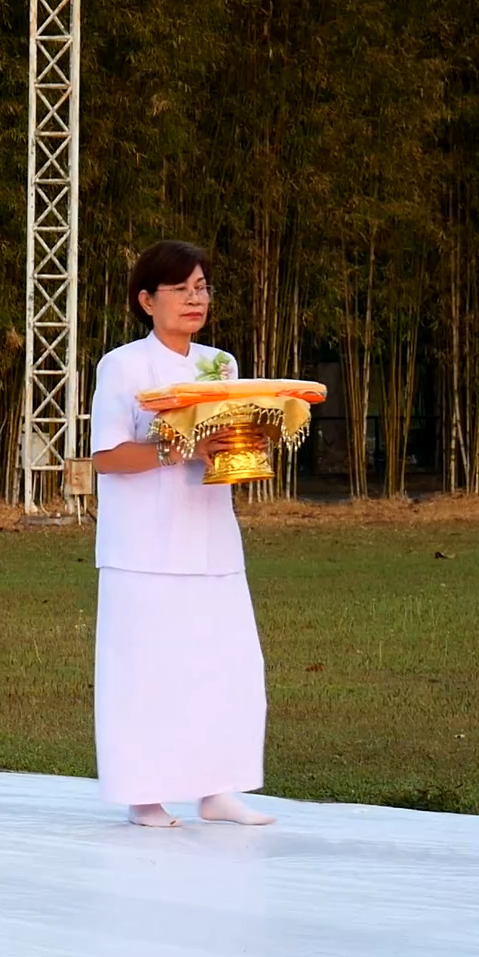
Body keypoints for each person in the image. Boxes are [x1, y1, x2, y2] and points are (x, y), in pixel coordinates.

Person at [89, 240, 275, 829]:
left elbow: (227, 444)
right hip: (142, 546)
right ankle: (144, 793)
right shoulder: (122, 365)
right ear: (147, 300)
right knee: (145, 672)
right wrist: (182, 448)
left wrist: (247, 443)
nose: (196, 299)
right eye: (182, 289)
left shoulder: (220, 365)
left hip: (210, 540)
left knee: (224, 666)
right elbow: (107, 457)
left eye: (203, 288)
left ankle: (218, 789)